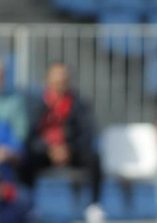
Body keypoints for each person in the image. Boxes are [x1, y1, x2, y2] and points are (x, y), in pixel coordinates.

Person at [22, 61, 100, 198]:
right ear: (47, 79)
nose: (60, 80)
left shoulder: (80, 104)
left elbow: (87, 133)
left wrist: (68, 148)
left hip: (71, 152)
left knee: (94, 158)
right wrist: (48, 148)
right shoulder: (35, 103)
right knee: (26, 159)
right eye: (56, 76)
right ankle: (29, 202)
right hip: (45, 152)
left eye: (63, 77)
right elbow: (30, 134)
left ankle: (94, 205)